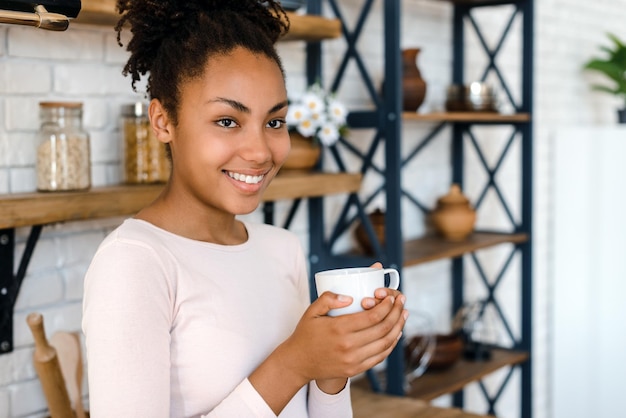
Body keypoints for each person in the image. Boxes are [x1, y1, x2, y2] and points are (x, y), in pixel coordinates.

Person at [81, 1, 408, 417]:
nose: (259, 152)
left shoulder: (281, 247)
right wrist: (293, 364)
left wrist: (332, 370)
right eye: (227, 121)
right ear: (163, 121)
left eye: (274, 122)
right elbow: (291, 367)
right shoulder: (134, 262)